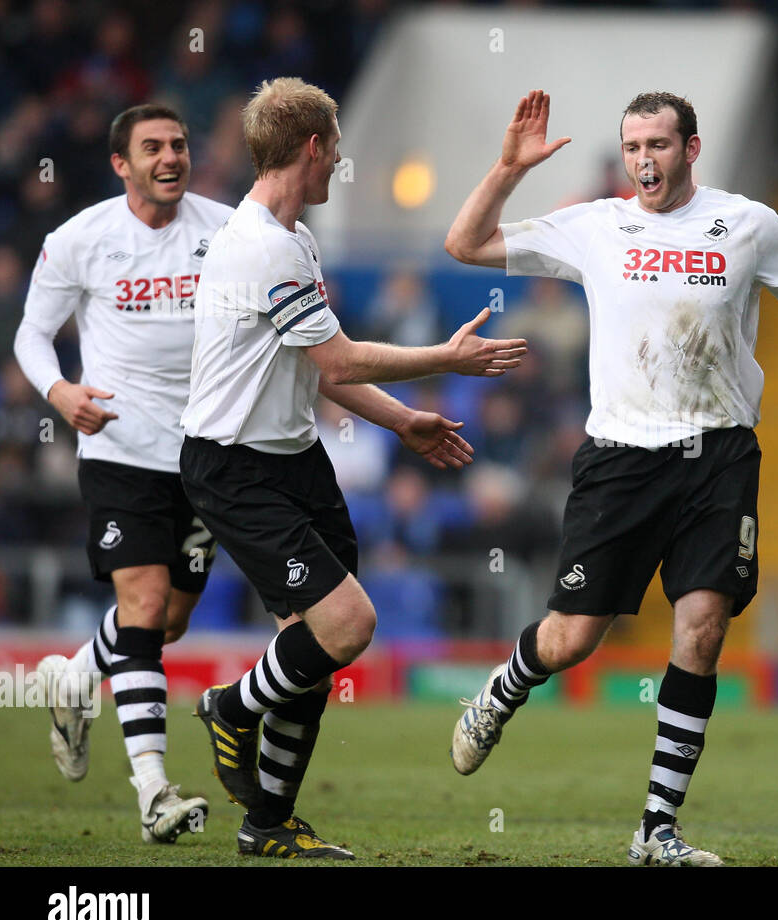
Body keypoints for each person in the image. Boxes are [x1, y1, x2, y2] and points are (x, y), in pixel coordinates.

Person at [444, 89, 778, 866]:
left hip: (719, 456)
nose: (644, 161)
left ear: (692, 149)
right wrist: (506, 169)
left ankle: (655, 831)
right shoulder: (597, 226)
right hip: (621, 462)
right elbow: (464, 244)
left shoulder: (747, 225)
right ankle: (502, 690)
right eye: (634, 147)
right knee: (571, 641)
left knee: (701, 632)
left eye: (659, 146)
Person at [180, 77, 526, 859]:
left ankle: (267, 825)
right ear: (313, 147)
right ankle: (232, 707)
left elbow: (323, 373)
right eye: (335, 146)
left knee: (312, 644)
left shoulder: (290, 238)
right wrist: (447, 358)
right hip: (234, 466)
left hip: (292, 459)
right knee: (349, 624)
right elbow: (339, 354)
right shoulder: (266, 247)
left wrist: (403, 420)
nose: (340, 160)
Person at [14, 104, 232, 845]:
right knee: (142, 607)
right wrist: (61, 392)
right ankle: (153, 792)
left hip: (204, 453)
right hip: (118, 449)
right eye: (153, 148)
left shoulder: (226, 230)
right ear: (121, 163)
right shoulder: (80, 239)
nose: (171, 157)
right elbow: (32, 335)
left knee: (170, 619)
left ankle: (74, 675)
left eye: (179, 143)